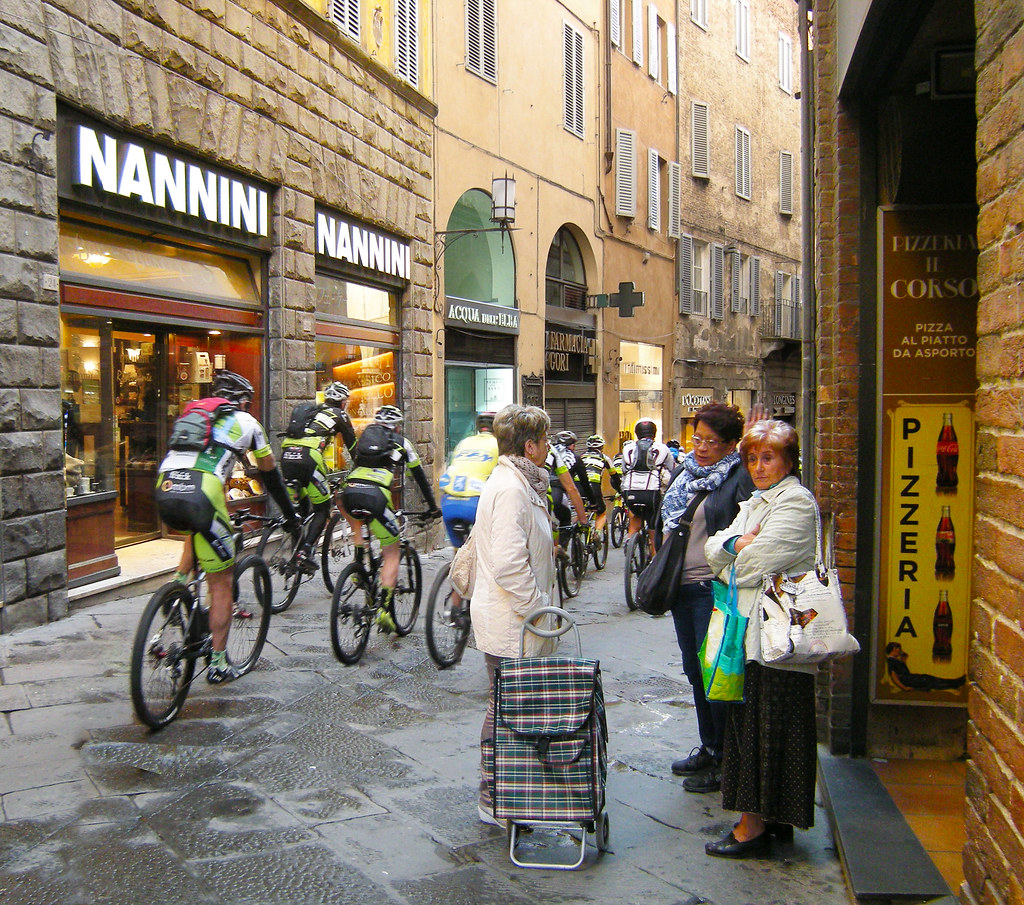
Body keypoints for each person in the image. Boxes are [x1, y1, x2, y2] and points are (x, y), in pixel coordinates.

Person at [704, 420, 819, 857]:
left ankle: (752, 827)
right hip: (751, 635)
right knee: (756, 726)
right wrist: (736, 545)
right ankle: (771, 819)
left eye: (767, 457)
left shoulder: (795, 504)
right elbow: (714, 548)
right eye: (751, 458)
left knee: (766, 728)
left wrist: (731, 553)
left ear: (789, 461)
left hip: (774, 639)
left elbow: (749, 568)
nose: (758, 466)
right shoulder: (756, 502)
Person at [155, 370, 300, 684]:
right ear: (244, 401)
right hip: (203, 492)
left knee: (198, 525)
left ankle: (178, 587)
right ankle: (219, 663)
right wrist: (291, 517)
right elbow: (270, 477)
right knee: (221, 585)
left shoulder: (194, 413)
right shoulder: (248, 423)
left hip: (165, 485)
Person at [471, 404, 560, 826]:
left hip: (515, 618)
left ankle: (509, 787)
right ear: (530, 446)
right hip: (513, 621)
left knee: (512, 706)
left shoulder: (521, 482)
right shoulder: (511, 488)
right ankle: (493, 796)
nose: (550, 447)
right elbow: (509, 565)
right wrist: (539, 610)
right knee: (504, 707)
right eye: (546, 440)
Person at [659, 403, 753, 794]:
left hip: (712, 589)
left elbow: (747, 533)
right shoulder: (684, 471)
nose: (700, 447)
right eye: (697, 438)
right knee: (695, 671)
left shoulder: (738, 478)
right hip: (681, 587)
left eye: (711, 442)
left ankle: (728, 759)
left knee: (717, 674)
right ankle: (711, 746)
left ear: (731, 444)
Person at [340, 404, 442, 632]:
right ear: (397, 427)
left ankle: (359, 565)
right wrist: (433, 507)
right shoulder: (402, 443)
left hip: (349, 493)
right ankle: (384, 609)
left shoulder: (364, 439)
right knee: (392, 551)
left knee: (358, 522)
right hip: (375, 498)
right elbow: (420, 478)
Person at [279, 381, 357, 574]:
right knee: (322, 509)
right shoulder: (339, 415)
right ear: (342, 402)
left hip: (287, 456)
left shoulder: (311, 413)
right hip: (308, 459)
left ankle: (295, 554)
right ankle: (304, 553)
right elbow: (354, 448)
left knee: (301, 509)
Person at [439, 412, 499, 547]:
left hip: (449, 503)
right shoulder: (498, 445)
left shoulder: (463, 442)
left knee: (459, 552)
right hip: (476, 503)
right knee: (491, 548)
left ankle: (456, 565)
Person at [621, 419, 674, 543]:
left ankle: (629, 541)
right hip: (651, 493)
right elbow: (673, 469)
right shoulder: (663, 449)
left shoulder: (627, 448)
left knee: (635, 515)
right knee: (652, 522)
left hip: (630, 491)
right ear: (654, 433)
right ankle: (653, 553)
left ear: (637, 433)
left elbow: (624, 470)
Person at [581, 434, 622, 531]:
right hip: (593, 486)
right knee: (601, 512)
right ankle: (597, 534)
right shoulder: (604, 458)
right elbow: (615, 476)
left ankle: (579, 532)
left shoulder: (581, 457)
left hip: (579, 486)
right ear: (601, 447)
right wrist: (619, 490)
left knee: (581, 511)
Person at [885, 642, 965, 691]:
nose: (899, 650)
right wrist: (904, 688)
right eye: (898, 648)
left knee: (930, 679)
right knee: (930, 681)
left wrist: (903, 660)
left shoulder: (896, 660)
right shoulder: (891, 660)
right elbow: (894, 676)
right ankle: (954, 684)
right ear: (893, 649)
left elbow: (902, 669)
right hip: (907, 680)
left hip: (910, 678)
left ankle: (955, 683)